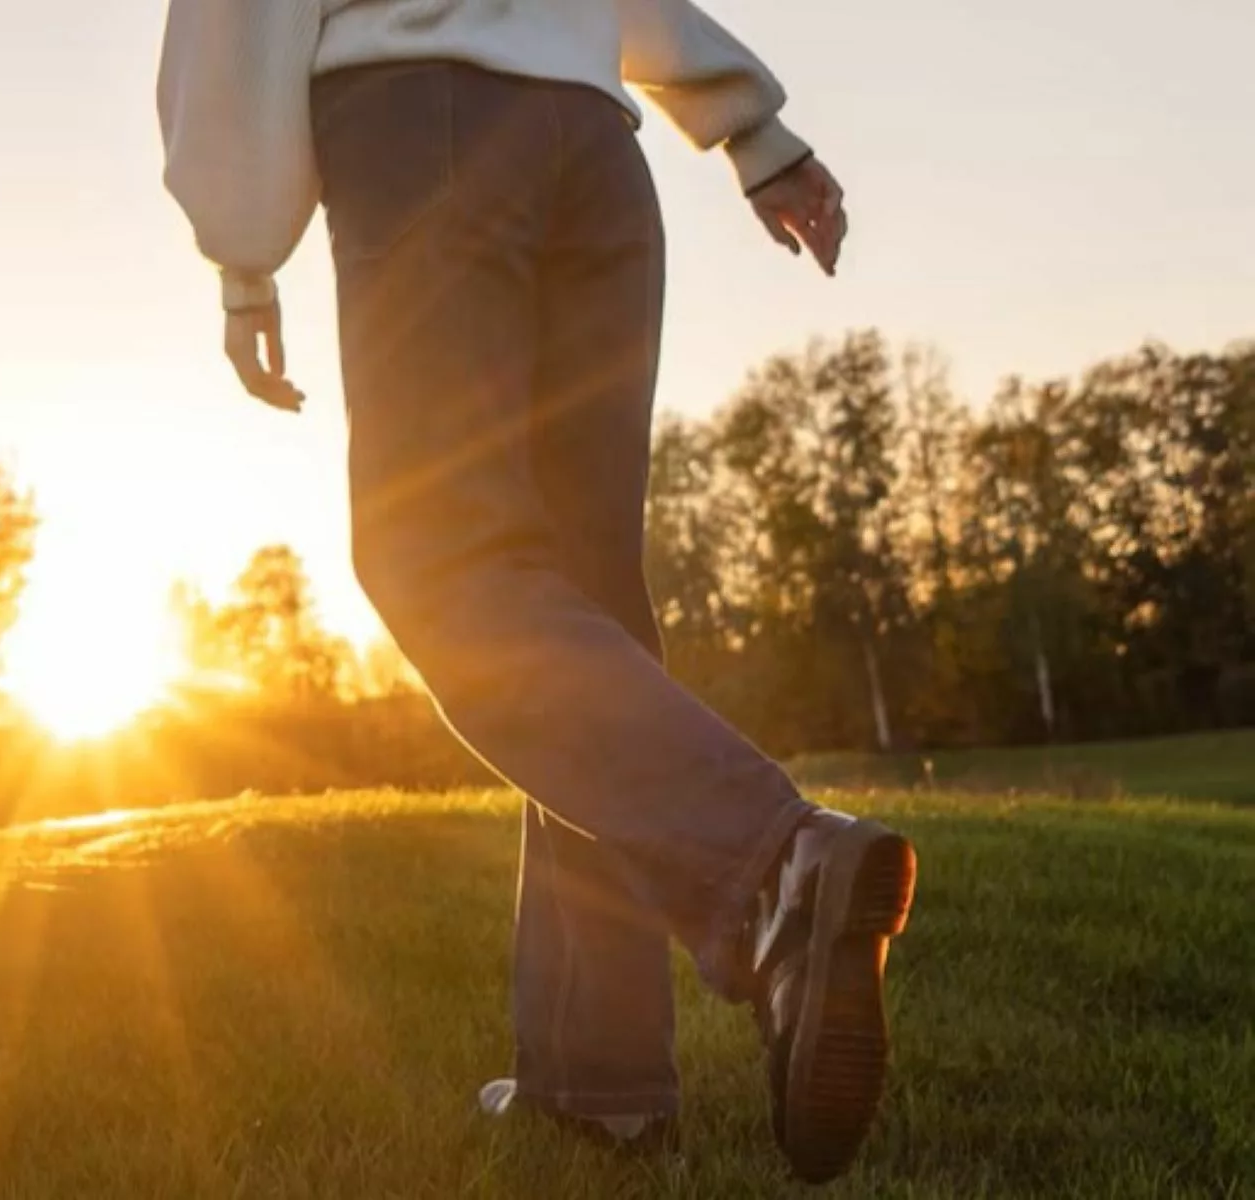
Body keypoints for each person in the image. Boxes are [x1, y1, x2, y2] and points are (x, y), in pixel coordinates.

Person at [156, 0, 917, 1184]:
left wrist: (241, 251)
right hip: (592, 149)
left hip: (423, 130)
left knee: (443, 561)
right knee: (581, 611)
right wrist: (748, 130)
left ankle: (774, 867)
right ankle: (597, 1080)